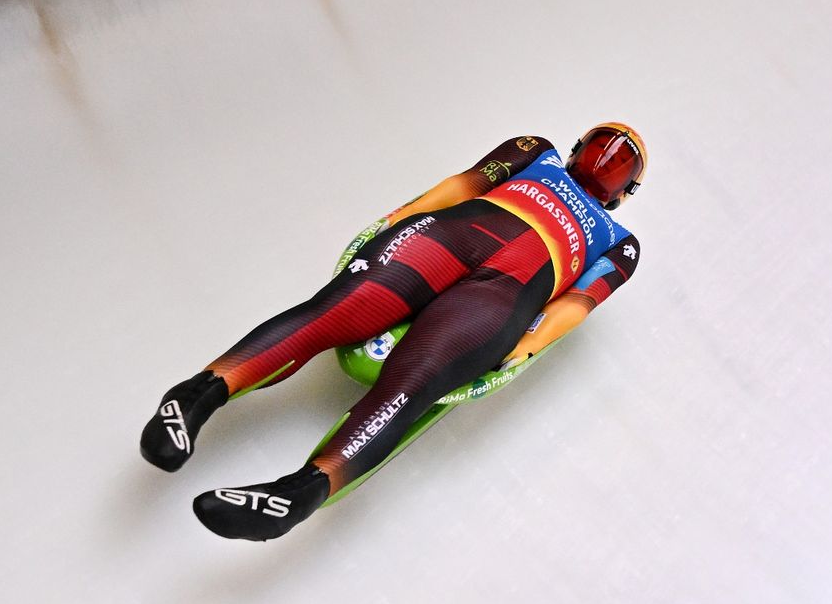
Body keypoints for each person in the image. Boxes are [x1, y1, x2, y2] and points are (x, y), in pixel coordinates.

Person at [141, 125, 645, 541]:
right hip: (454, 235)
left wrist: (527, 345)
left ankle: (301, 491)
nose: (607, 162)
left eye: (621, 162)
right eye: (603, 147)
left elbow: (576, 305)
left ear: (626, 192)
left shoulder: (621, 245)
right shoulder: (536, 152)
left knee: (415, 382)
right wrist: (399, 219)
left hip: (505, 290)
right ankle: (195, 397)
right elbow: (464, 185)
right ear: (578, 146)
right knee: (332, 312)